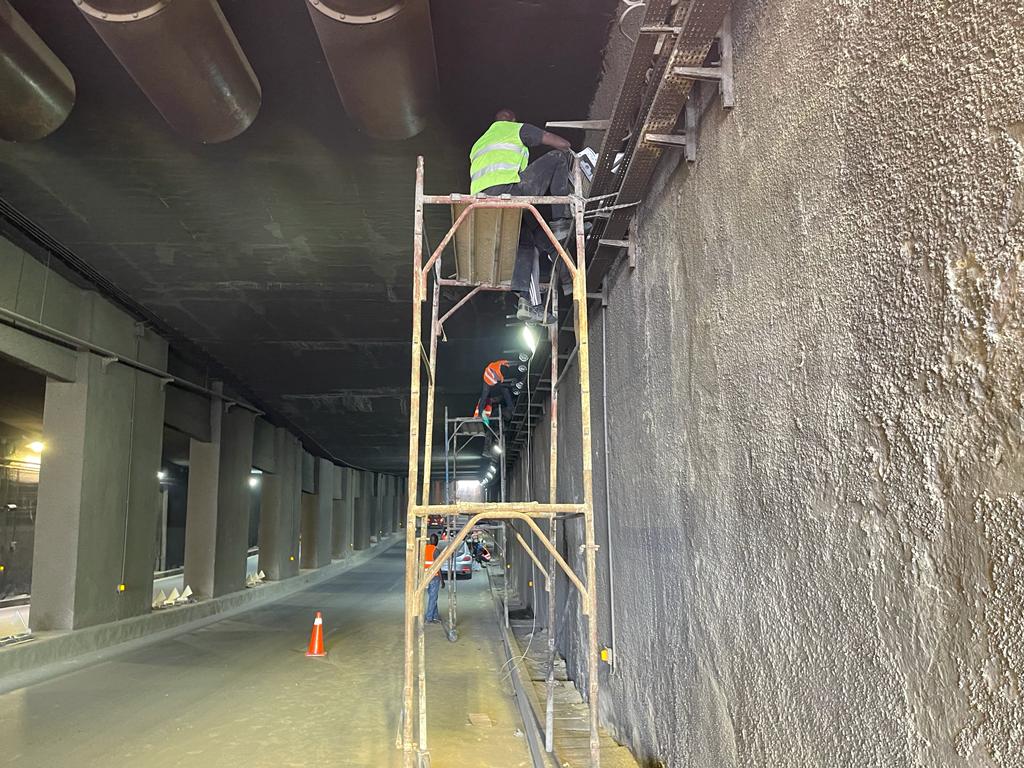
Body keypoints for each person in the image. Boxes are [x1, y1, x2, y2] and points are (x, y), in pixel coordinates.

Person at [470, 109, 573, 324]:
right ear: (511, 119)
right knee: (557, 157)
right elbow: (559, 143)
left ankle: (531, 303)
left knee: (530, 243)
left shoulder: (478, 144)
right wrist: (573, 153)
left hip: (483, 208)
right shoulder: (514, 129)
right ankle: (561, 221)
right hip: (508, 193)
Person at [477, 358, 515, 426]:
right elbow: (497, 381)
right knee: (484, 395)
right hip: (488, 380)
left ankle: (511, 407)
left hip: (494, 376)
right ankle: (480, 412)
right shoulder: (494, 377)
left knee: (505, 390)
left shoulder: (501, 363)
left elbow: (508, 363)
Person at [423, 533, 441, 623]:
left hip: (426, 576)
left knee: (433, 597)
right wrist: (442, 580)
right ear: (436, 541)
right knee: (433, 598)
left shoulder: (425, 549)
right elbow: (438, 567)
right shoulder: (435, 550)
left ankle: (435, 615)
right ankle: (429, 618)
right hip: (435, 577)